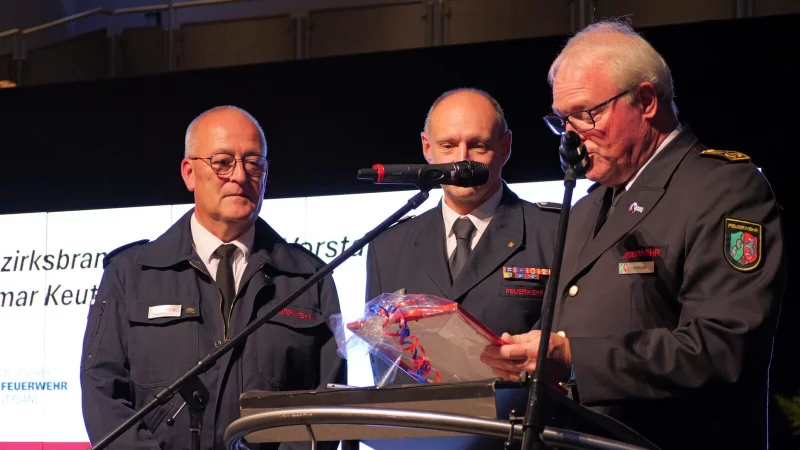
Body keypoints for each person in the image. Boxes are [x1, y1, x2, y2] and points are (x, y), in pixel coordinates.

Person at [480, 20, 786, 450]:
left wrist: (573, 359)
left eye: (586, 115)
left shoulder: (724, 189)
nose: (570, 137)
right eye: (561, 121)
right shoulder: (585, 207)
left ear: (645, 100)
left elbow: (721, 348)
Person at [80, 105, 345, 450]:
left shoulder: (309, 277)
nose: (239, 176)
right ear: (189, 173)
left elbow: (327, 402)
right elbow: (102, 389)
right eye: (223, 162)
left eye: (253, 162)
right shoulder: (129, 274)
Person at [365, 88, 560, 385]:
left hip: (515, 424)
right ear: (427, 148)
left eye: (478, 146)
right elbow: (384, 366)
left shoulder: (553, 232)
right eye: (448, 146)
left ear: (505, 147)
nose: (462, 161)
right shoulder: (387, 247)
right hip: (421, 427)